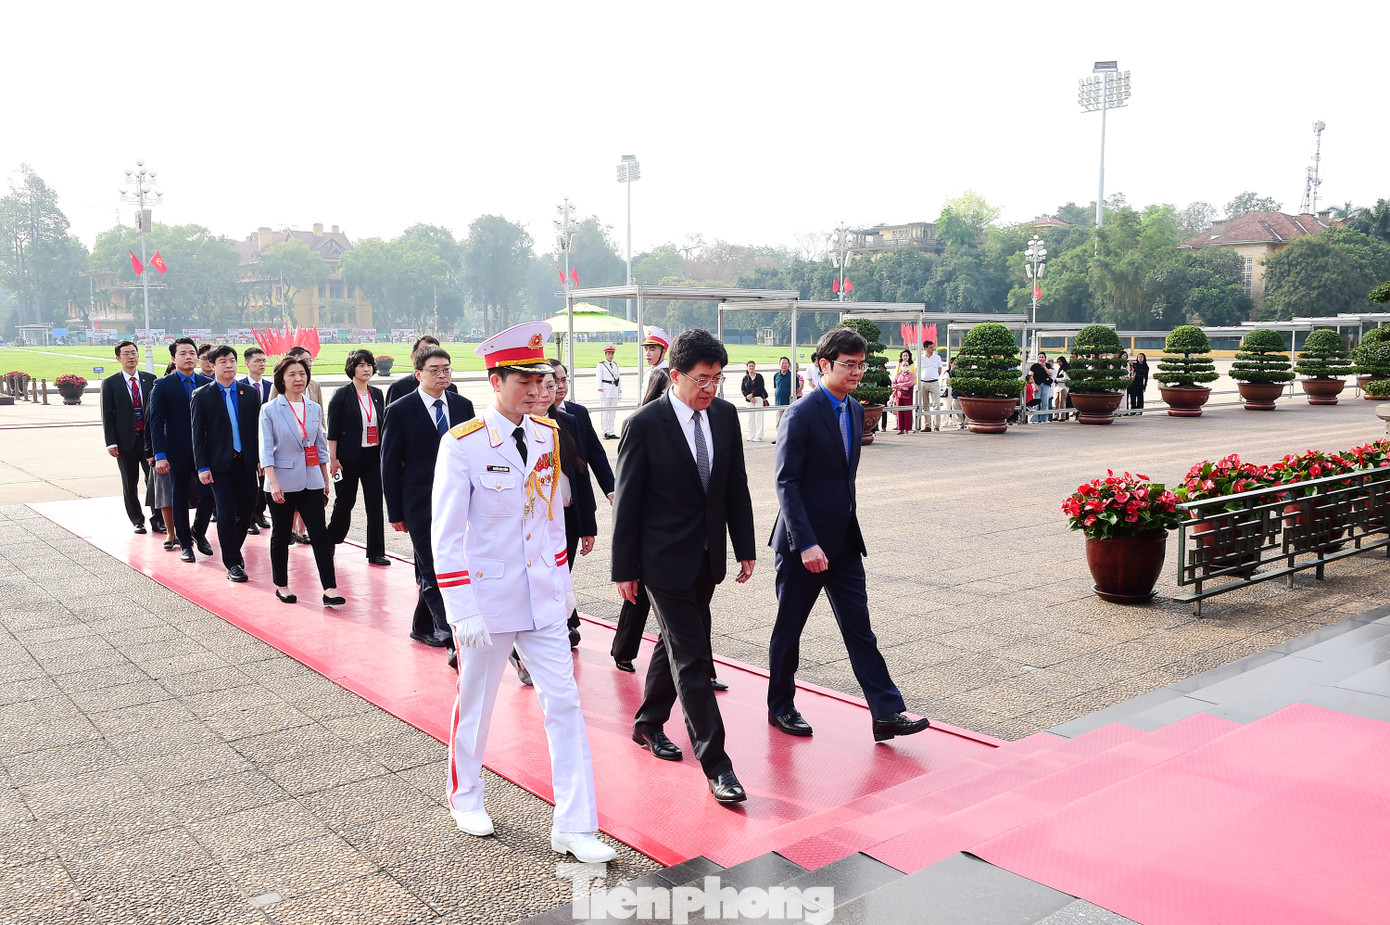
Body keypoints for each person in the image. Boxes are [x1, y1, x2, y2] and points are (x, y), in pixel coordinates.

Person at [432, 322, 614, 864]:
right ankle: (465, 796)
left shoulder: (547, 436)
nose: (538, 390)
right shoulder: (462, 444)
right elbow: (446, 535)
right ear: (496, 381)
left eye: (541, 380)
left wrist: (563, 585)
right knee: (477, 702)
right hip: (487, 601)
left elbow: (552, 519)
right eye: (525, 381)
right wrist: (460, 607)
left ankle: (575, 825)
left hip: (543, 598)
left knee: (565, 704)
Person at [766, 329, 932, 744]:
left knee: (860, 629)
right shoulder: (801, 414)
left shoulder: (856, 410)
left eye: (862, 364)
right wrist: (806, 543)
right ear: (824, 364)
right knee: (789, 630)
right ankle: (781, 707)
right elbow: (786, 483)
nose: (858, 372)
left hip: (844, 543)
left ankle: (886, 712)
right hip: (802, 546)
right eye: (849, 364)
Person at [612, 328, 756, 805]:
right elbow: (627, 503)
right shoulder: (644, 424)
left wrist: (744, 546)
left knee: (674, 644)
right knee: (693, 656)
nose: (710, 388)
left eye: (717, 378)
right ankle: (717, 765)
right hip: (661, 561)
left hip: (707, 557)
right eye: (701, 379)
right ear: (675, 375)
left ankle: (648, 723)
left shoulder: (725, 415)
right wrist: (624, 568)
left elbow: (734, 485)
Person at [381, 345, 476, 668]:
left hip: (458, 501)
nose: (442, 375)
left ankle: (421, 625)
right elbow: (389, 465)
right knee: (433, 567)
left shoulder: (462, 406)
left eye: (446, 369)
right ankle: (451, 637)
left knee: (445, 564)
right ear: (418, 374)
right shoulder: (400, 410)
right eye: (435, 370)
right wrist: (395, 512)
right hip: (419, 503)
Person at [258, 355, 342, 606]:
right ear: (281, 380)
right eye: (292, 374)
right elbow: (266, 449)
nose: (298, 379)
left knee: (320, 534)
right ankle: (281, 585)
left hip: (311, 479)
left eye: (302, 374)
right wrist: (273, 482)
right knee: (281, 534)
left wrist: (324, 478)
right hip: (281, 481)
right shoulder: (270, 409)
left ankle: (329, 589)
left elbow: (320, 446)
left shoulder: (313, 407)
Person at [552, 359, 614, 649]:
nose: (559, 387)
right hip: (542, 514)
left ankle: (566, 619)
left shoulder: (576, 415)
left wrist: (611, 490)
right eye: (553, 381)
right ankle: (565, 622)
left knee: (563, 570)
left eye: (563, 380)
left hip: (571, 510)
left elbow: (593, 458)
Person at [191, 345, 262, 582]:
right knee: (225, 511)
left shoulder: (249, 393)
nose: (229, 365)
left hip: (246, 462)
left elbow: (256, 429)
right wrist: (202, 467)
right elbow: (197, 434)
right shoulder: (202, 395)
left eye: (232, 360)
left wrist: (260, 459)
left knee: (248, 509)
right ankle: (232, 562)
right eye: (223, 361)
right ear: (212, 366)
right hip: (219, 465)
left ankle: (233, 549)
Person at [148, 338, 215, 563]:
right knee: (179, 497)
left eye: (192, 353)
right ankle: (185, 543)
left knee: (209, 495)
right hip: (176, 451)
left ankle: (198, 531)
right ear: (173, 358)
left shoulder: (207, 383)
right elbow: (156, 422)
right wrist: (160, 455)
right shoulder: (163, 385)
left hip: (204, 451)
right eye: (183, 353)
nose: (189, 357)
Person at [327, 349, 389, 567]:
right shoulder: (341, 394)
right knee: (345, 501)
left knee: (375, 503)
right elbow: (333, 431)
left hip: (373, 456)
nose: (366, 369)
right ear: (352, 368)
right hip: (348, 458)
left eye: (369, 365)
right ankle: (331, 539)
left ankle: (376, 551)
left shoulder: (377, 394)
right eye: (361, 365)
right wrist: (333, 459)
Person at [100, 340, 161, 535]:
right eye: (126, 354)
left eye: (134, 352)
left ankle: (158, 519)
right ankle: (137, 520)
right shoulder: (110, 383)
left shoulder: (150, 379)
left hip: (148, 440)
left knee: (154, 481)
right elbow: (107, 415)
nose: (131, 357)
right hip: (125, 441)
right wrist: (111, 442)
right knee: (129, 482)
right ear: (118, 358)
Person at [240, 347, 273, 534]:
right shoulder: (239, 387)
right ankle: (249, 517)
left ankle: (260, 512)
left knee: (264, 480)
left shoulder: (271, 386)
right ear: (247, 363)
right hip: (247, 440)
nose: (261, 364)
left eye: (263, 361)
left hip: (266, 439)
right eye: (257, 361)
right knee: (248, 483)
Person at [386, 335, 459, 405]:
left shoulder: (451, 389)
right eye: (423, 351)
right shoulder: (398, 388)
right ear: (413, 357)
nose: (429, 354)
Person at [595, 344, 622, 439]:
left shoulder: (615, 365)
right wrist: (600, 392)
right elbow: (599, 379)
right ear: (605, 354)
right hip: (606, 390)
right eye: (609, 354)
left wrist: (619, 392)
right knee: (605, 413)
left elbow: (619, 379)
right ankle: (605, 432)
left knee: (612, 413)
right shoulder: (601, 365)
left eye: (612, 354)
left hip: (614, 389)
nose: (611, 356)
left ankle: (611, 431)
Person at [917, 341, 944, 432]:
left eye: (933, 347)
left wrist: (933, 376)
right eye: (930, 347)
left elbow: (939, 370)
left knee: (937, 404)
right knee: (925, 405)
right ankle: (927, 425)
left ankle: (936, 425)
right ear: (925, 348)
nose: (932, 349)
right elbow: (917, 370)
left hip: (934, 382)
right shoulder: (920, 358)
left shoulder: (937, 357)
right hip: (923, 383)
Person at [640, 326, 672, 404]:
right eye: (646, 349)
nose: (647, 354)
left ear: (663, 351)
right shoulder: (647, 374)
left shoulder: (669, 375)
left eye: (652, 349)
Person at [740, 360, 768, 442]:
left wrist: (753, 394)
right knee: (750, 418)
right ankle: (751, 435)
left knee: (759, 417)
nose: (751, 367)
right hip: (749, 400)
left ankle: (759, 436)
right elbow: (743, 389)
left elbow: (761, 387)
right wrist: (748, 396)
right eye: (750, 366)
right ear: (747, 368)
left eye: (753, 366)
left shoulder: (759, 377)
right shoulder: (745, 378)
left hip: (758, 399)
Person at [890, 349, 915, 434]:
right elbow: (893, 384)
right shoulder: (898, 375)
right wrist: (902, 387)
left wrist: (900, 385)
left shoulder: (911, 374)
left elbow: (911, 383)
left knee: (907, 412)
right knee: (899, 412)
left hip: (908, 395)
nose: (905, 366)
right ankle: (900, 429)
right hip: (899, 395)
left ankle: (907, 429)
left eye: (906, 365)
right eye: (903, 365)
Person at [1029, 352, 1054, 423]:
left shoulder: (1048, 365)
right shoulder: (1034, 366)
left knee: (1045, 402)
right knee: (1036, 402)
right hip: (1037, 385)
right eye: (1039, 357)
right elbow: (1031, 376)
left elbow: (1051, 374)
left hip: (1045, 385)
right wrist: (1034, 385)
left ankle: (1044, 419)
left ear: (1045, 358)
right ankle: (1034, 419)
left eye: (1042, 357)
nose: (1041, 358)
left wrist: (1044, 366)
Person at [772, 356, 793, 425]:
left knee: (788, 422)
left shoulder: (792, 376)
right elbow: (776, 388)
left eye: (786, 363)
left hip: (789, 403)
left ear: (789, 365)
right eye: (782, 363)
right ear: (779, 365)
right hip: (779, 403)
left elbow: (797, 389)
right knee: (779, 422)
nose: (784, 365)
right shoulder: (776, 375)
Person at [1054, 355, 1072, 422]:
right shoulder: (1060, 369)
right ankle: (1056, 415)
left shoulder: (1066, 368)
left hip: (1064, 387)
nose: (1059, 363)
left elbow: (1067, 378)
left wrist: (1057, 379)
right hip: (1058, 386)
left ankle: (1062, 416)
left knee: (1062, 402)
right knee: (1056, 401)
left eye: (1060, 361)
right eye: (1058, 361)